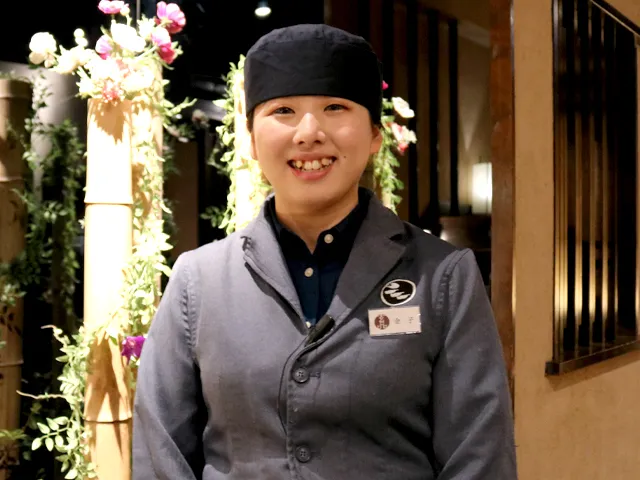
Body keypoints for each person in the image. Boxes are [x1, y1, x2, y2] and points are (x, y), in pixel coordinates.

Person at [132, 24, 517, 480]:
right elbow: (161, 456)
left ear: (374, 134)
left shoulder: (443, 276)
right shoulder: (198, 281)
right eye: (283, 110)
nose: (309, 133)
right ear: (251, 138)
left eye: (335, 107)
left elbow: (479, 458)